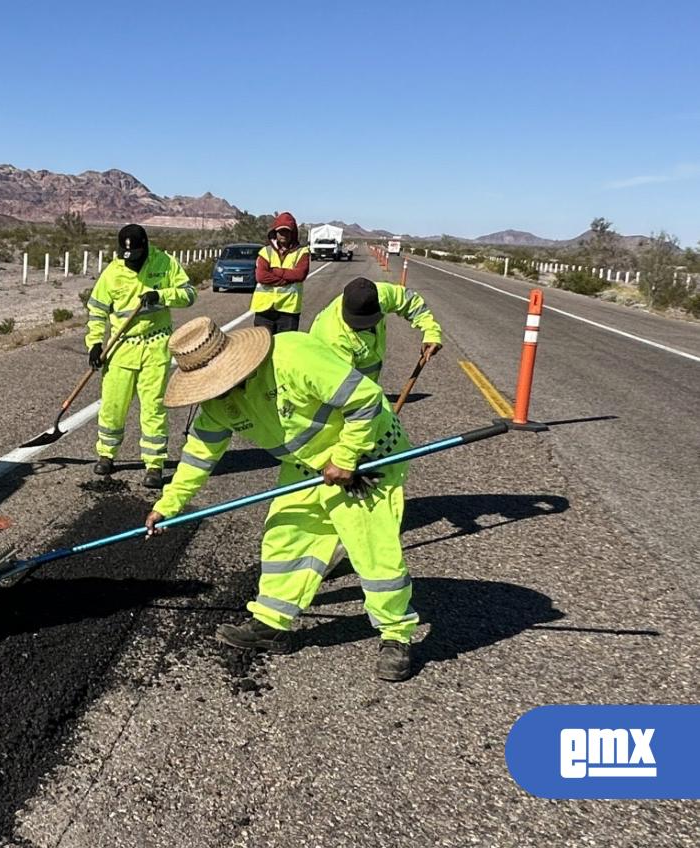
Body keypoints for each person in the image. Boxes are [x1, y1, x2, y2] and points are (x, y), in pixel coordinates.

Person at [144, 317, 419, 681]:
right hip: (308, 464)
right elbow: (199, 455)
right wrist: (168, 506)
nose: (215, 391)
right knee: (284, 535)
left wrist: (347, 457)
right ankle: (272, 623)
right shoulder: (217, 404)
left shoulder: (293, 356)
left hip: (367, 457)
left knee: (370, 547)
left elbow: (365, 400)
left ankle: (396, 635)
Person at [85, 224, 198, 489]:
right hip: (121, 348)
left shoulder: (165, 263)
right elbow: (97, 311)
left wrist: (161, 295)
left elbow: (189, 294)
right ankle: (106, 454)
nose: (131, 262)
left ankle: (154, 464)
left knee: (153, 407)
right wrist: (94, 344)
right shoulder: (113, 272)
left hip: (155, 346)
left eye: (135, 256)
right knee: (113, 405)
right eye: (127, 257)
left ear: (145, 247)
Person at [309, 277, 444, 381]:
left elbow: (411, 302)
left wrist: (431, 332)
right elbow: (343, 389)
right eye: (358, 324)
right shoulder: (332, 336)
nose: (365, 327)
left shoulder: (380, 295)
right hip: (343, 391)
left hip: (368, 384)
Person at [252, 212, 310, 333]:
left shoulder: (302, 252)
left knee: (285, 344)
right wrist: (287, 279)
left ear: (293, 233)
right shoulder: (265, 252)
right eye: (280, 231)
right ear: (275, 233)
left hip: (288, 311)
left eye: (287, 231)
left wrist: (275, 271)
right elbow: (261, 276)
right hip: (264, 310)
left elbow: (300, 274)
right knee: (263, 344)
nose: (283, 234)